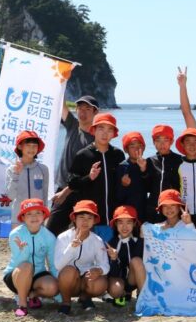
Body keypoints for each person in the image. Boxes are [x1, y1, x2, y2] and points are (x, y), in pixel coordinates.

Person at [67, 113, 125, 241]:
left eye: (109, 130)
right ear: (93, 130)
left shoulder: (118, 155)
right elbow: (72, 183)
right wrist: (89, 177)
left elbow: (121, 185)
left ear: (114, 133)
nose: (105, 134)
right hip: (88, 219)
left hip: (111, 218)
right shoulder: (83, 155)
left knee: (107, 256)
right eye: (101, 129)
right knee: (85, 256)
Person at [48, 95, 98, 236]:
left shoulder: (98, 139)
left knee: (82, 235)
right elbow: (60, 105)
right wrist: (61, 81)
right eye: (80, 108)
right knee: (51, 233)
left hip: (84, 192)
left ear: (95, 112)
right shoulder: (72, 125)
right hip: (62, 188)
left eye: (87, 109)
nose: (83, 112)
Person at [2, 198, 59, 317]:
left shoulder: (49, 236)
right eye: (29, 213)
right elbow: (19, 263)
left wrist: (59, 294)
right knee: (26, 266)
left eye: (38, 212)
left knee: (52, 287)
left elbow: (52, 264)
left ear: (44, 215)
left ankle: (32, 295)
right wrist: (23, 251)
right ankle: (22, 304)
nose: (34, 217)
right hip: (16, 274)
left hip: (38, 275)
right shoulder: (15, 234)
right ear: (23, 217)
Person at [55, 200, 110, 315]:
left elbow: (105, 265)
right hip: (69, 282)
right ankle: (66, 302)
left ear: (94, 221)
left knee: (101, 282)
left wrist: (99, 270)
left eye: (90, 218)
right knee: (69, 270)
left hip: (86, 280)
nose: (85, 221)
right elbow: (58, 265)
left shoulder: (97, 240)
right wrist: (72, 247)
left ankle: (85, 297)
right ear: (74, 219)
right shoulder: (63, 237)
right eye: (81, 217)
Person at [5, 130, 50, 228]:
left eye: (35, 146)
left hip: (38, 219)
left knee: (37, 243)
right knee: (18, 243)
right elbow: (11, 196)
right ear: (20, 146)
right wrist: (16, 174)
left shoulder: (43, 169)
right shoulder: (12, 169)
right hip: (18, 218)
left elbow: (45, 195)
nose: (32, 149)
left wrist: (45, 216)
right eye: (28, 145)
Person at [105, 205, 145, 307]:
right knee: (115, 289)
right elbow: (112, 274)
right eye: (120, 222)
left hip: (134, 280)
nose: (124, 226)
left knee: (137, 261)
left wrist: (141, 238)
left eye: (129, 222)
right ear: (115, 224)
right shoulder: (111, 243)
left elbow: (139, 262)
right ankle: (123, 295)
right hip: (118, 280)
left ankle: (143, 297)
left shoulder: (138, 240)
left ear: (135, 224)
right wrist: (114, 259)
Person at [144, 124, 180, 223]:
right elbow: (146, 187)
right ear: (153, 142)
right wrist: (143, 171)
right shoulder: (149, 161)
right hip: (153, 209)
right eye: (158, 140)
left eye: (166, 140)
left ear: (172, 141)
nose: (162, 144)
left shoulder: (180, 161)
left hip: (173, 211)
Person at [116, 131, 148, 223]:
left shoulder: (148, 164)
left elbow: (150, 188)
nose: (136, 149)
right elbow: (117, 196)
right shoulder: (121, 167)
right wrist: (123, 185)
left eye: (139, 146)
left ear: (144, 148)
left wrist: (143, 170)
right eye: (132, 146)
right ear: (126, 150)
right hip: (126, 213)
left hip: (144, 212)